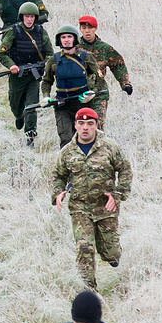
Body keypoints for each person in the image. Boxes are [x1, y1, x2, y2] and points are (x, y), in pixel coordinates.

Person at [52, 109, 132, 291]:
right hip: (80, 207)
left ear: (97, 125)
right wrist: (58, 192)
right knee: (84, 247)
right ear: (75, 125)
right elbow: (58, 175)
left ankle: (111, 257)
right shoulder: (67, 152)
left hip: (105, 207)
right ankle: (89, 291)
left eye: (90, 124)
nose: (85, 128)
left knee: (111, 253)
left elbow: (125, 170)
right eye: (81, 123)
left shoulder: (110, 147)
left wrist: (118, 195)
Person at [0, 2, 54, 147]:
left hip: (34, 76)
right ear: (22, 17)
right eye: (27, 17)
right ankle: (18, 116)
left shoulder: (41, 32)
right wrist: (12, 65)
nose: (29, 20)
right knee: (15, 104)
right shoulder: (13, 31)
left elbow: (49, 53)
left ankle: (30, 135)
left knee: (31, 106)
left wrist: (47, 63)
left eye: (32, 17)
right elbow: (2, 53)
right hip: (17, 75)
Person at [41, 26, 100, 148]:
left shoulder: (86, 57)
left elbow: (100, 79)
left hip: (83, 104)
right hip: (63, 105)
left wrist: (92, 93)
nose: (66, 40)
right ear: (59, 40)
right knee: (66, 139)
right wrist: (46, 96)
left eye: (69, 37)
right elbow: (46, 81)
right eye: (63, 37)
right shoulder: (54, 59)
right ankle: (67, 166)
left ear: (75, 39)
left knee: (86, 138)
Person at [77, 16, 133, 131]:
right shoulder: (75, 48)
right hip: (80, 93)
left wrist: (125, 83)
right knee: (81, 128)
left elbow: (118, 65)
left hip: (99, 93)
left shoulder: (105, 48)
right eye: (84, 28)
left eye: (90, 28)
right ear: (80, 29)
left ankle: (99, 148)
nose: (87, 31)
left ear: (95, 28)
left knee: (97, 126)